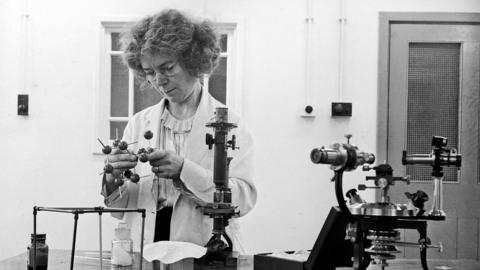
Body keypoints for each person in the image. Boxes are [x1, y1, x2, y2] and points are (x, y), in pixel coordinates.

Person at [100, 9, 256, 254]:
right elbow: (121, 209)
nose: (159, 81)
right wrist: (112, 179)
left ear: (194, 61)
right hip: (146, 249)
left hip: (206, 250)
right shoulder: (139, 123)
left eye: (168, 68)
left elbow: (243, 200)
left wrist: (184, 169)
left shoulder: (231, 123)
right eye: (150, 72)